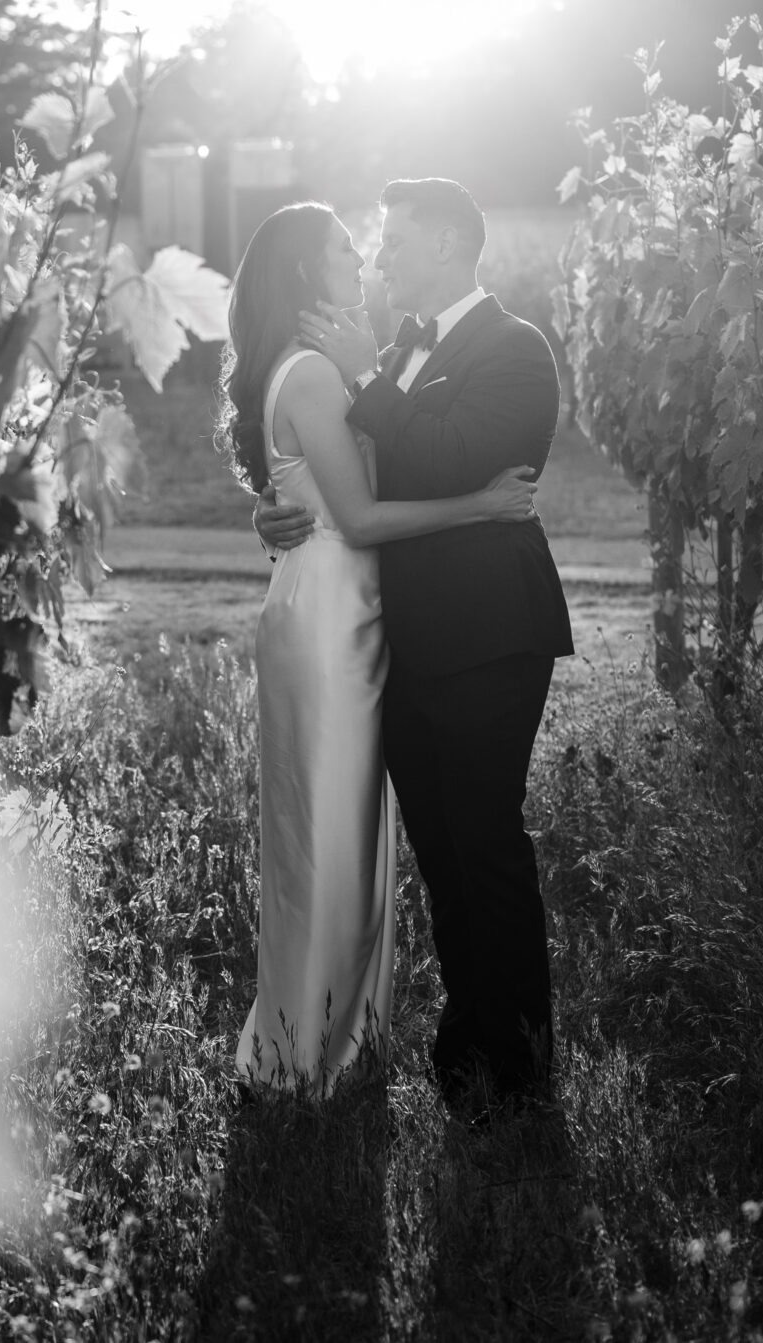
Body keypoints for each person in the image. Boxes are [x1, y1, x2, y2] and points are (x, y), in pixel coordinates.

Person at [255, 178, 575, 1124]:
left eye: (396, 243)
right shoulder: (393, 352)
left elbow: (450, 456)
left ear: (444, 243)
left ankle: (518, 1070)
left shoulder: (519, 350)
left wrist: (370, 377)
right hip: (402, 643)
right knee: (441, 850)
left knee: (487, 841)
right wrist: (281, 509)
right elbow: (353, 474)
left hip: (490, 635)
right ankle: (465, 1049)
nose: (383, 259)